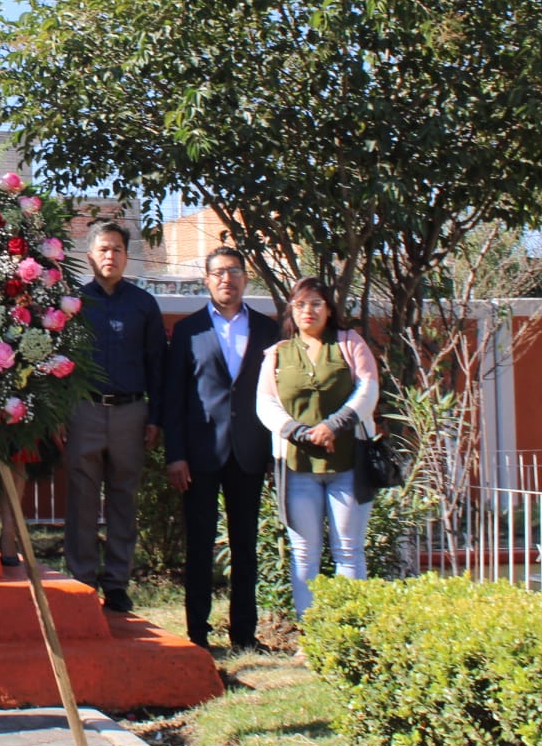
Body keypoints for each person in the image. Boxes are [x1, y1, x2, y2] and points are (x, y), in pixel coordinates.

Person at [162, 246, 283, 650]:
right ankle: (197, 633)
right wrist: (175, 454)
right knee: (199, 546)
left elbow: (278, 394)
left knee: (245, 546)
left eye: (233, 271)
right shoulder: (187, 330)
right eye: (218, 273)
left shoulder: (268, 330)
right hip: (198, 455)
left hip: (249, 452)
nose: (226, 279)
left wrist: (272, 454)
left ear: (246, 278)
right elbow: (173, 397)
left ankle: (244, 635)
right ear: (206, 280)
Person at [254, 276, 382, 622]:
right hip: (298, 470)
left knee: (348, 551)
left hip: (348, 467)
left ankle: (349, 633)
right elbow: (265, 405)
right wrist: (298, 432)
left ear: (329, 309)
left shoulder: (348, 343)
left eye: (315, 304)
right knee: (304, 553)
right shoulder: (278, 354)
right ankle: (310, 634)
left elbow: (368, 390)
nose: (308, 311)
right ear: (291, 311)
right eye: (300, 304)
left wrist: (333, 426)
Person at [60, 221, 165, 614]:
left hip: (131, 412)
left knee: (125, 497)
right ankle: (82, 580)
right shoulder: (73, 303)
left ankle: (118, 583)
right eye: (103, 249)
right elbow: (59, 362)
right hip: (84, 410)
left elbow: (158, 363)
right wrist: (60, 415)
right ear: (90, 256)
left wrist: (156, 415)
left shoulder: (143, 304)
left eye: (118, 249)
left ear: (127, 255)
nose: (111, 256)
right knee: (82, 499)